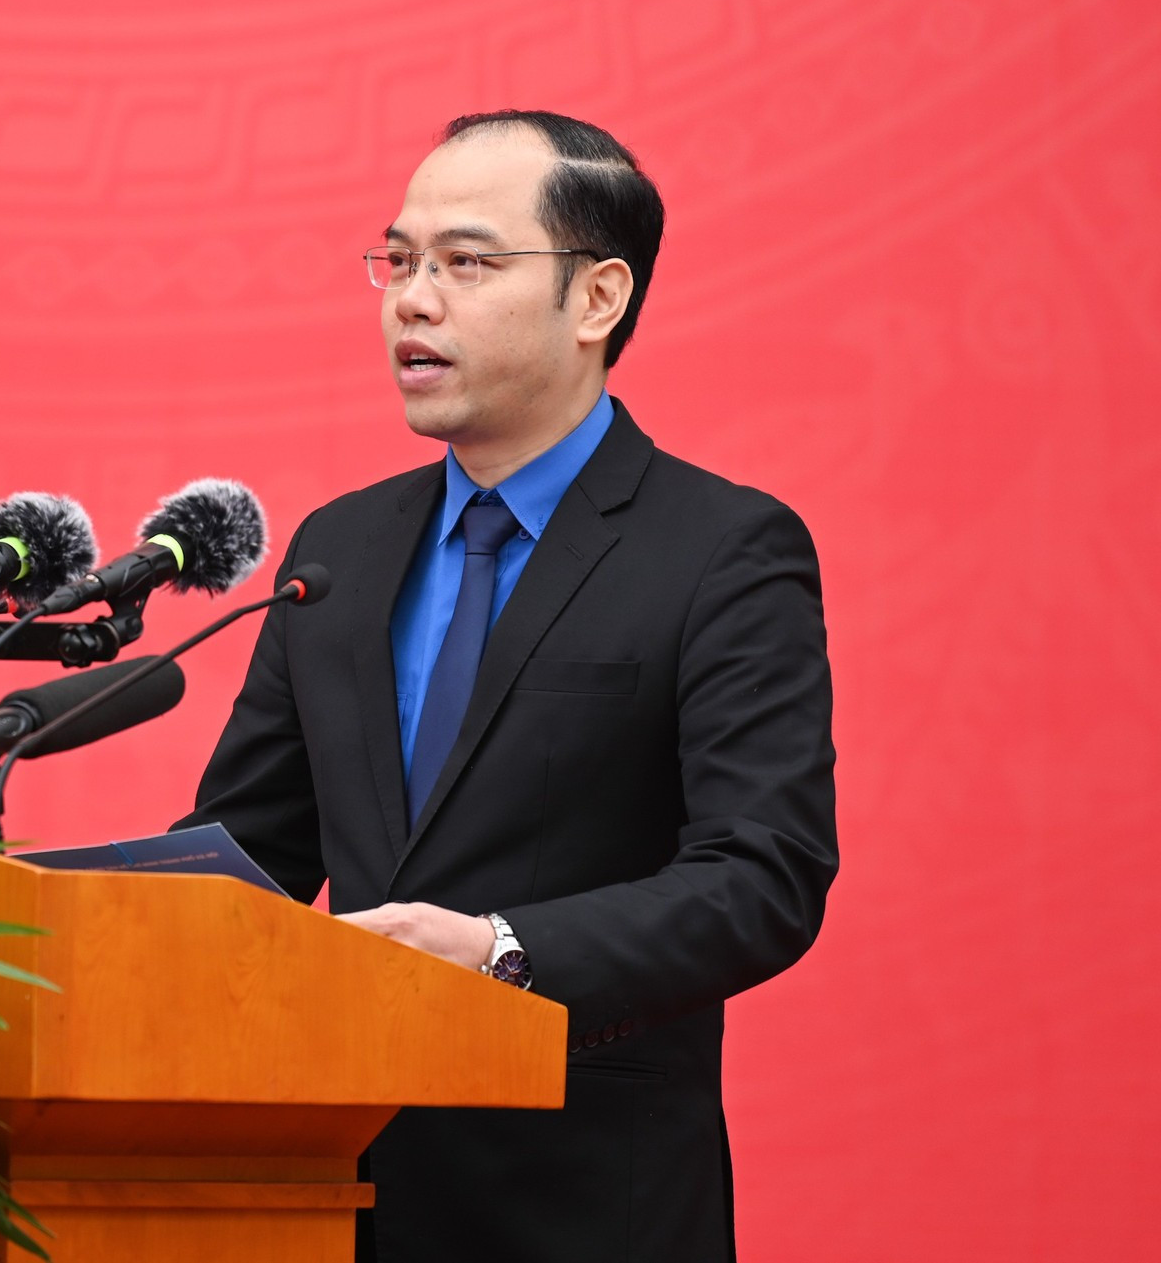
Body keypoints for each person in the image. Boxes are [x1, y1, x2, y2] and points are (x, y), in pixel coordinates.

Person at [176, 110, 837, 1261]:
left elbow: (760, 877)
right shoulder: (341, 551)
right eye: (398, 261)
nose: (411, 300)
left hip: (582, 1209)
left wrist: (499, 949)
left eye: (465, 264)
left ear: (596, 299)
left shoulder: (719, 550)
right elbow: (247, 859)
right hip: (329, 1203)